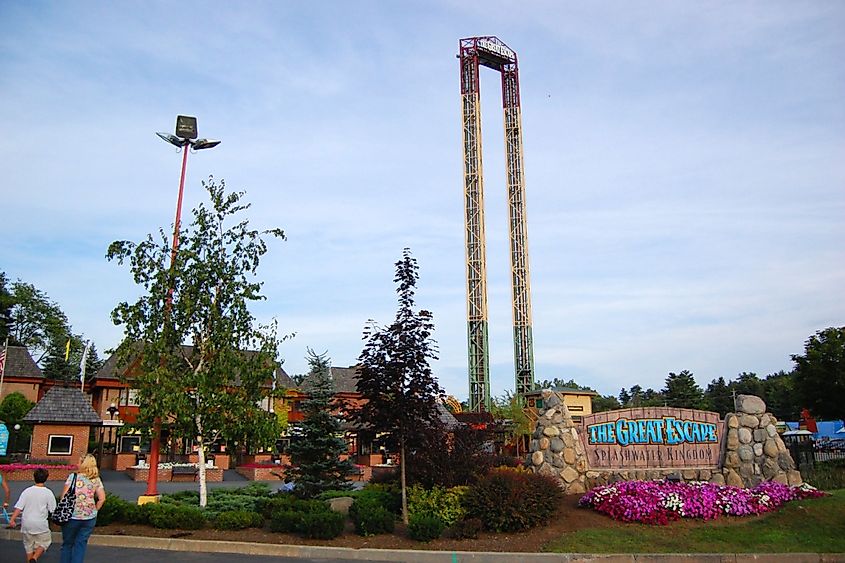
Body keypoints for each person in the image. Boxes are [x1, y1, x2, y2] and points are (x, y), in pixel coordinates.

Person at [59, 454, 105, 563]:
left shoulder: (73, 477)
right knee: (81, 544)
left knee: (68, 544)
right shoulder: (96, 480)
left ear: (84, 464)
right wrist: (95, 510)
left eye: (79, 462)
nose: (77, 464)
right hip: (89, 517)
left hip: (72, 516)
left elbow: (63, 496)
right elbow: (102, 499)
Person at [8, 467, 56, 563]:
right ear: (46, 478)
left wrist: (12, 519)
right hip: (40, 524)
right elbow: (52, 509)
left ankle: (30, 559)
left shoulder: (27, 491)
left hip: (27, 523)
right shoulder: (48, 493)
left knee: (28, 545)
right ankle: (35, 558)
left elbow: (19, 507)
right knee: (45, 541)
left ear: (34, 477)